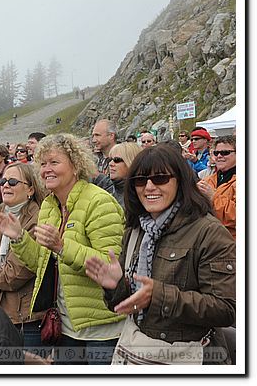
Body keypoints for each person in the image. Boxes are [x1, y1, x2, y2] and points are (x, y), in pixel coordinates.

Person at [85, 144, 235, 364]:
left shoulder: (208, 231)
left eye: (160, 178)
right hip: (138, 353)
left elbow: (226, 309)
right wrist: (116, 285)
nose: (149, 187)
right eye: (140, 180)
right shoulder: (136, 229)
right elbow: (131, 303)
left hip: (189, 357)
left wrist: (159, 296)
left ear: (180, 181)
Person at [0, 133, 126, 365]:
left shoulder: (99, 202)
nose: (46, 170)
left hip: (102, 327)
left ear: (75, 166)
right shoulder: (50, 207)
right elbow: (42, 266)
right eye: (42, 164)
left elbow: (109, 264)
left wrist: (62, 247)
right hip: (66, 324)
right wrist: (19, 238)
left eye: (54, 162)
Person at [0, 162, 48, 352]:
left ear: (30, 189)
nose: (5, 185)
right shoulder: (2, 211)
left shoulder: (37, 218)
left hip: (27, 318)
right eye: (3, 180)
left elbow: (16, 275)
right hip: (1, 310)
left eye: (12, 181)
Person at [197, 135, 236, 239]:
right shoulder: (208, 180)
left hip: (231, 241)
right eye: (216, 153)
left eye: (225, 153)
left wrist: (213, 196)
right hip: (209, 238)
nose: (219, 156)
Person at [108, 142, 142, 207]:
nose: (110, 164)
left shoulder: (138, 197)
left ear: (131, 162)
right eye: (110, 160)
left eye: (117, 160)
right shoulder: (110, 191)